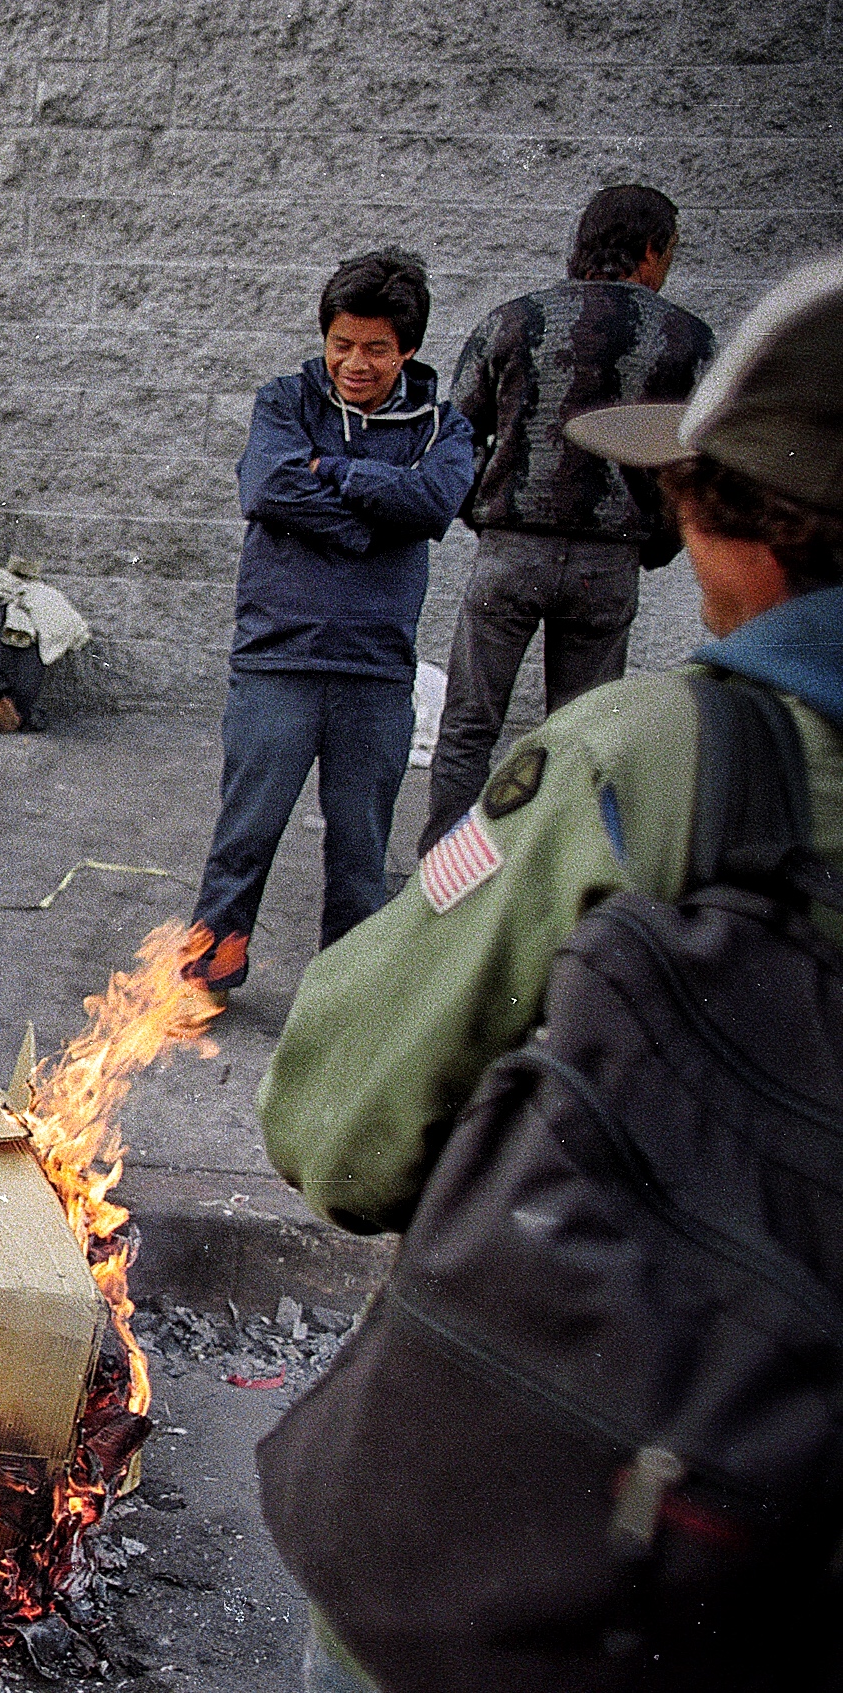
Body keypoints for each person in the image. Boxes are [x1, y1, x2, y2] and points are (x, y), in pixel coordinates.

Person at [254, 254, 843, 1693]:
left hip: (586, 1524)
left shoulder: (652, 759)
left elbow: (341, 1112)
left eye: (682, 495)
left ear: (740, 519)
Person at [185, 250, 477, 1000]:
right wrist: (373, 520)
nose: (354, 362)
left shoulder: (442, 424)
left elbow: (436, 503)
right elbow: (269, 485)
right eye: (341, 343)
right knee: (245, 834)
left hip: (375, 671)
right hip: (276, 659)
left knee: (360, 851)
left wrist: (342, 475)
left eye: (375, 348)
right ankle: (207, 975)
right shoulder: (285, 401)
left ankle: (343, 998)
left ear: (407, 349)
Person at [418, 185, 718, 853]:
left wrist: (484, 516)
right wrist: (653, 544)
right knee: (578, 738)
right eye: (667, 251)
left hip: (510, 553)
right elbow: (697, 463)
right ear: (649, 251)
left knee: (469, 726)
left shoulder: (512, 321)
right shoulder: (688, 339)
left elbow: (451, 439)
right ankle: (550, 879)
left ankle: (439, 879)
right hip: (609, 565)